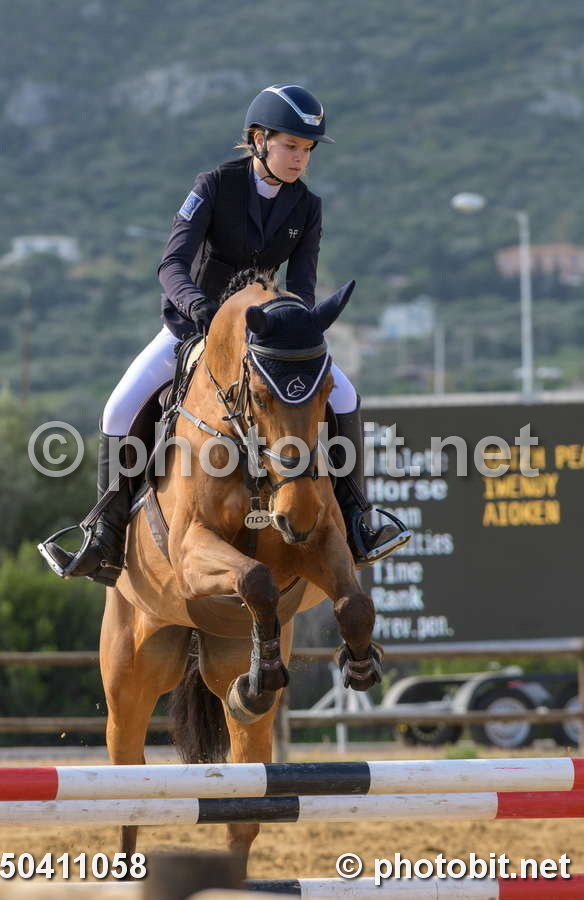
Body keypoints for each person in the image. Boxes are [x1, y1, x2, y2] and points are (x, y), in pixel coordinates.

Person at [39, 84, 409, 586]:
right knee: (118, 409)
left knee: (345, 397)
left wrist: (295, 329)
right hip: (192, 328)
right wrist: (200, 308)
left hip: (264, 339)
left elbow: (301, 285)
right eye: (291, 146)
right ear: (258, 140)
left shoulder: (307, 206)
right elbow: (171, 264)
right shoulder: (214, 186)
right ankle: (104, 533)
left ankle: (357, 518)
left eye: (307, 149)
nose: (300, 158)